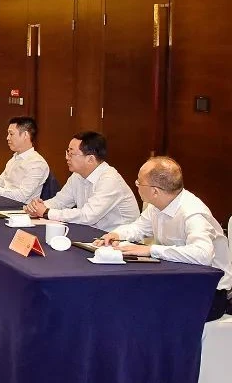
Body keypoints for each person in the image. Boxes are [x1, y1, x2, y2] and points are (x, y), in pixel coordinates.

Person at [95, 157, 231, 321]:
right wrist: (116, 235)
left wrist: (150, 250)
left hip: (208, 291)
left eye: (139, 182)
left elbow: (203, 254)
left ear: (155, 191)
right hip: (178, 279)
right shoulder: (157, 205)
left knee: (142, 310)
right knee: (124, 297)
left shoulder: (193, 212)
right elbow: (139, 228)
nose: (136, 185)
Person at [24, 131, 139, 231]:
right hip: (92, 233)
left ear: (90, 159)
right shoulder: (77, 175)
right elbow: (60, 202)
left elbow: (88, 215)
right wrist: (37, 207)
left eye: (71, 154)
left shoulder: (110, 180)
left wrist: (47, 212)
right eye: (67, 152)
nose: (67, 157)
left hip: (118, 239)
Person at [0, 116, 49, 202]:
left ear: (25, 135)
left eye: (11, 134)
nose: (7, 138)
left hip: (20, 207)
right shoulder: (14, 158)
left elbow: (22, 196)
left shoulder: (37, 163)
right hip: (4, 201)